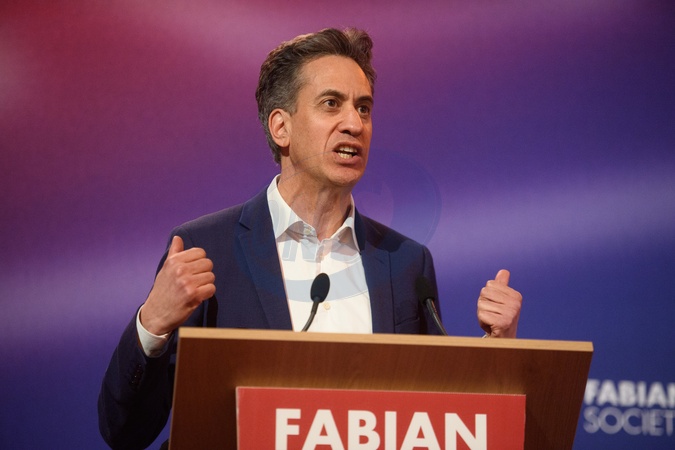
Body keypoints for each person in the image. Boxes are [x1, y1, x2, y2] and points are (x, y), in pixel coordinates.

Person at [98, 27, 522, 449]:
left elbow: (435, 416)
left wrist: (498, 352)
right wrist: (152, 324)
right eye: (331, 104)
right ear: (281, 127)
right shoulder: (207, 250)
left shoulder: (407, 262)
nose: (354, 124)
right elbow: (125, 432)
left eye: (364, 108)